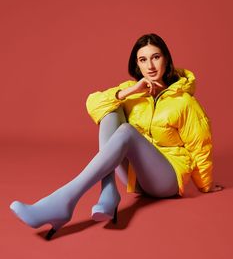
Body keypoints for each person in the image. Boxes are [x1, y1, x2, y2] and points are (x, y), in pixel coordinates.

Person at [9, 33, 223, 240]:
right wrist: (129, 92)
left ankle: (63, 201)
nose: (150, 65)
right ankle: (108, 191)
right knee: (110, 110)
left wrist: (206, 184)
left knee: (127, 132)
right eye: (143, 59)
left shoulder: (184, 102)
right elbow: (93, 104)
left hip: (167, 179)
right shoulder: (132, 89)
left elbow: (200, 145)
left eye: (155, 57)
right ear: (136, 65)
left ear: (166, 59)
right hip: (135, 177)